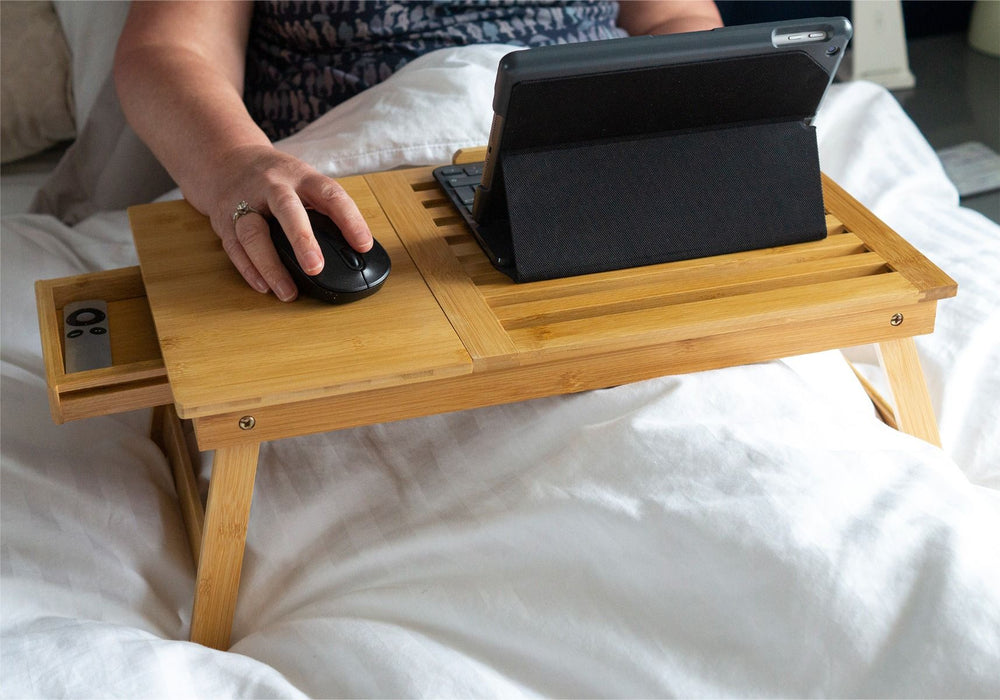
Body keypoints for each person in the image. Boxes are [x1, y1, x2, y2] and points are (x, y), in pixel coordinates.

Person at [114, 1, 722, 302]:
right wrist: (233, 165)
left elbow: (678, 16)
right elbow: (168, 48)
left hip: (583, 162)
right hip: (341, 182)